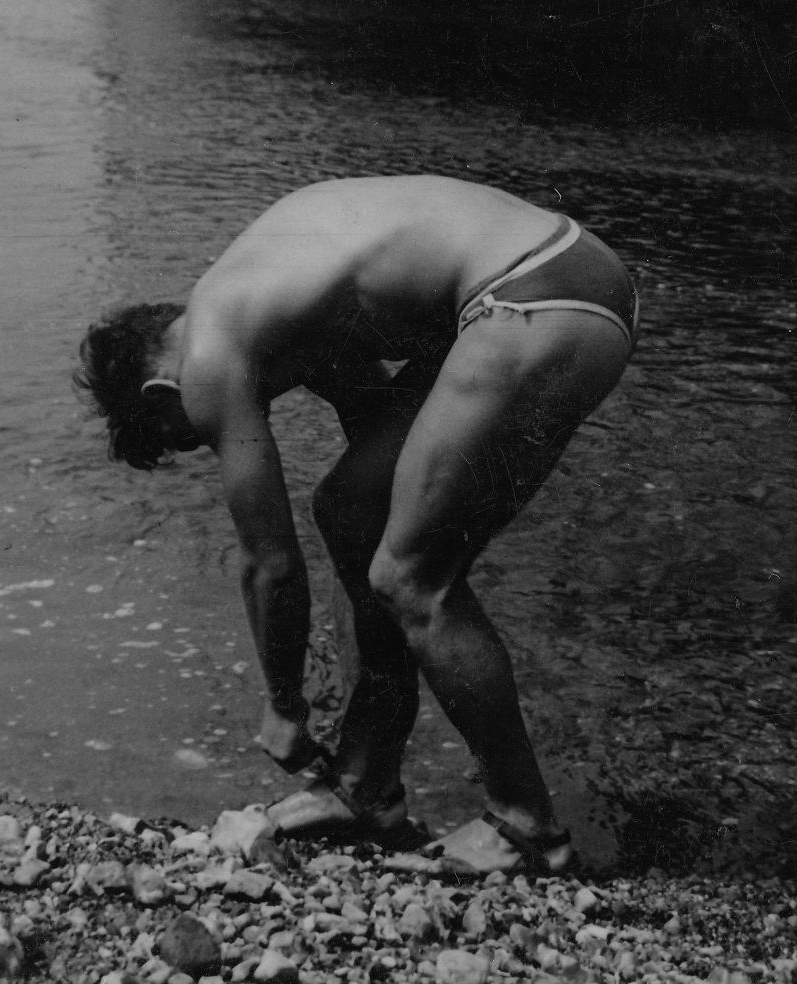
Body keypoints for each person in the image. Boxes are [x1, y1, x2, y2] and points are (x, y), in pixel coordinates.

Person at [76, 176, 638, 875]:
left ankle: (527, 827)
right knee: (353, 516)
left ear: (163, 392)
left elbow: (269, 564)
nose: (210, 433)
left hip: (534, 299)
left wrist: (284, 704)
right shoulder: (284, 302)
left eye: (187, 436)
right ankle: (365, 788)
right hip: (574, 280)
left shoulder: (209, 350)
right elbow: (372, 480)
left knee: (410, 580)